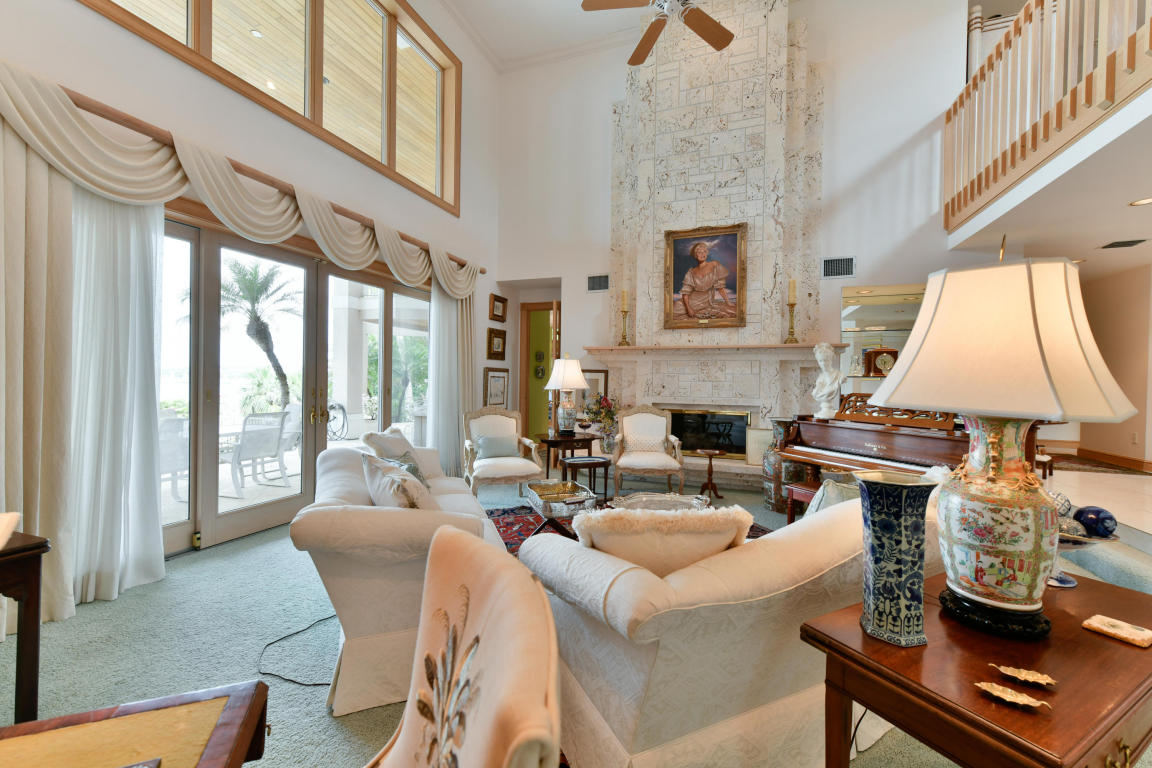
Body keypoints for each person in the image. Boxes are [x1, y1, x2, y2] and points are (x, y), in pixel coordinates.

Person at [679, 241, 734, 319]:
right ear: (695, 255)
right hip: (692, 300)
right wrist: (688, 308)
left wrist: (728, 302)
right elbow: (685, 293)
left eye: (704, 251)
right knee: (677, 307)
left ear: (707, 253)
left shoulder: (715, 265)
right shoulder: (691, 272)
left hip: (706, 301)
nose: (703, 254)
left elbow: (720, 288)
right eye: (699, 252)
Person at [811, 342, 846, 419]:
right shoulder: (820, 378)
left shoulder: (839, 376)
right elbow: (815, 394)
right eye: (820, 361)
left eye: (826, 360)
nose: (823, 363)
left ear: (831, 359)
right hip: (823, 412)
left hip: (829, 412)